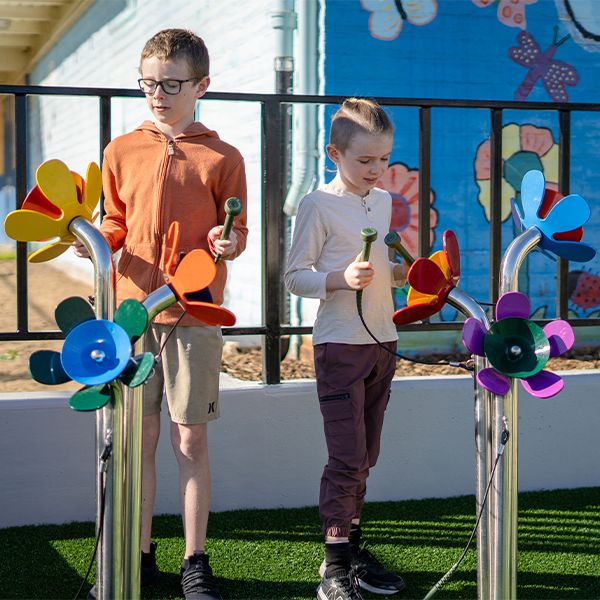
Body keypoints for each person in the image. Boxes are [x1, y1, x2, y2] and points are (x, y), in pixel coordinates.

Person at [74, 28, 248, 600]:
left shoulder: (224, 157)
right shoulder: (120, 150)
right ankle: (141, 553)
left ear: (202, 85)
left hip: (194, 315)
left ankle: (194, 560)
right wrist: (98, 239)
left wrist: (228, 241)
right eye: (148, 82)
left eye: (170, 84)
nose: (157, 94)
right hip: (131, 314)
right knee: (139, 438)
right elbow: (116, 220)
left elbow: (237, 231)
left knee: (190, 441)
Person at [284, 98, 408, 600]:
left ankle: (353, 549)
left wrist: (410, 275)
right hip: (340, 346)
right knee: (347, 456)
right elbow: (294, 277)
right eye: (365, 161)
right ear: (333, 152)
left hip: (383, 342)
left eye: (383, 159)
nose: (376, 170)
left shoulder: (380, 201)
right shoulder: (317, 204)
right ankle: (333, 568)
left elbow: (383, 274)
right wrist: (338, 279)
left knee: (368, 452)